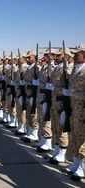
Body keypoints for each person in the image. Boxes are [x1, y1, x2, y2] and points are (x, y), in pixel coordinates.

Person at [62, 44, 85, 181]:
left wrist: (73, 94)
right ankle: (76, 162)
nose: (74, 56)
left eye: (77, 54)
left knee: (83, 139)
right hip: (74, 110)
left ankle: (83, 166)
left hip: (82, 111)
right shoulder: (77, 69)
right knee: (75, 136)